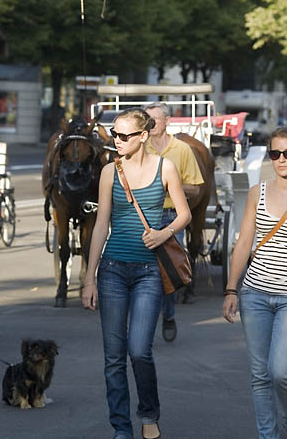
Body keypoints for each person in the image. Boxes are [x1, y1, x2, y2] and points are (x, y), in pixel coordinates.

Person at [82, 108, 190, 439]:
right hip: (112, 270)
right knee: (113, 358)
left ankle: (149, 413)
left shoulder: (165, 167)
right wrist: (89, 278)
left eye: (124, 135)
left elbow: (184, 214)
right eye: (115, 134)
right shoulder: (109, 172)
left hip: (149, 272)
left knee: (140, 350)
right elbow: (101, 224)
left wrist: (164, 232)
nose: (117, 141)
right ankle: (120, 428)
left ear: (143, 136)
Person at [222, 126, 287, 439]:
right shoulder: (258, 192)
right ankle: (267, 435)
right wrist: (231, 289)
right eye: (275, 153)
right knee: (259, 375)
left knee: (280, 370)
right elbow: (243, 243)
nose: (281, 159)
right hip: (255, 293)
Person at [144, 102, 204, 342]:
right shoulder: (140, 148)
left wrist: (171, 185)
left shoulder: (182, 150)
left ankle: (168, 315)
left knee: (167, 272)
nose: (150, 125)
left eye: (154, 120)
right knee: (143, 272)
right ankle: (145, 322)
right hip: (144, 216)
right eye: (147, 121)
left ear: (167, 121)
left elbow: (196, 189)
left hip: (171, 216)